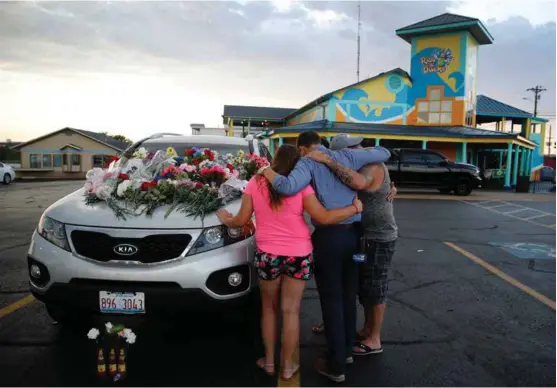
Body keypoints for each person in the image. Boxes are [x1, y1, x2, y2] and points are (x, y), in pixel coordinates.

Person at [216, 144, 364, 381]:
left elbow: (242, 220)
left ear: (274, 160)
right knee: (291, 311)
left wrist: (227, 219)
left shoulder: (256, 182)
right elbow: (324, 217)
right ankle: (287, 366)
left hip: (268, 254)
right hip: (299, 254)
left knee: (269, 309)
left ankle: (270, 362)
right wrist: (353, 208)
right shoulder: (302, 187)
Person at [258, 132, 391, 383]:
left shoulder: (307, 162)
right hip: (354, 236)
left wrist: (267, 171)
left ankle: (336, 364)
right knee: (348, 294)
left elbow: (286, 187)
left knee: (332, 299)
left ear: (303, 148)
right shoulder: (347, 155)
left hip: (329, 237)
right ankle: (348, 350)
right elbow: (384, 152)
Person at [306, 133, 398, 357]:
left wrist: (327, 161)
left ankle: (374, 338)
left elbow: (358, 182)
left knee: (375, 286)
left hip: (378, 237)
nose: (361, 149)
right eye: (355, 147)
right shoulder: (351, 166)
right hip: (359, 236)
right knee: (359, 284)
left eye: (359, 145)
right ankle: (357, 328)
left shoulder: (371, 166)